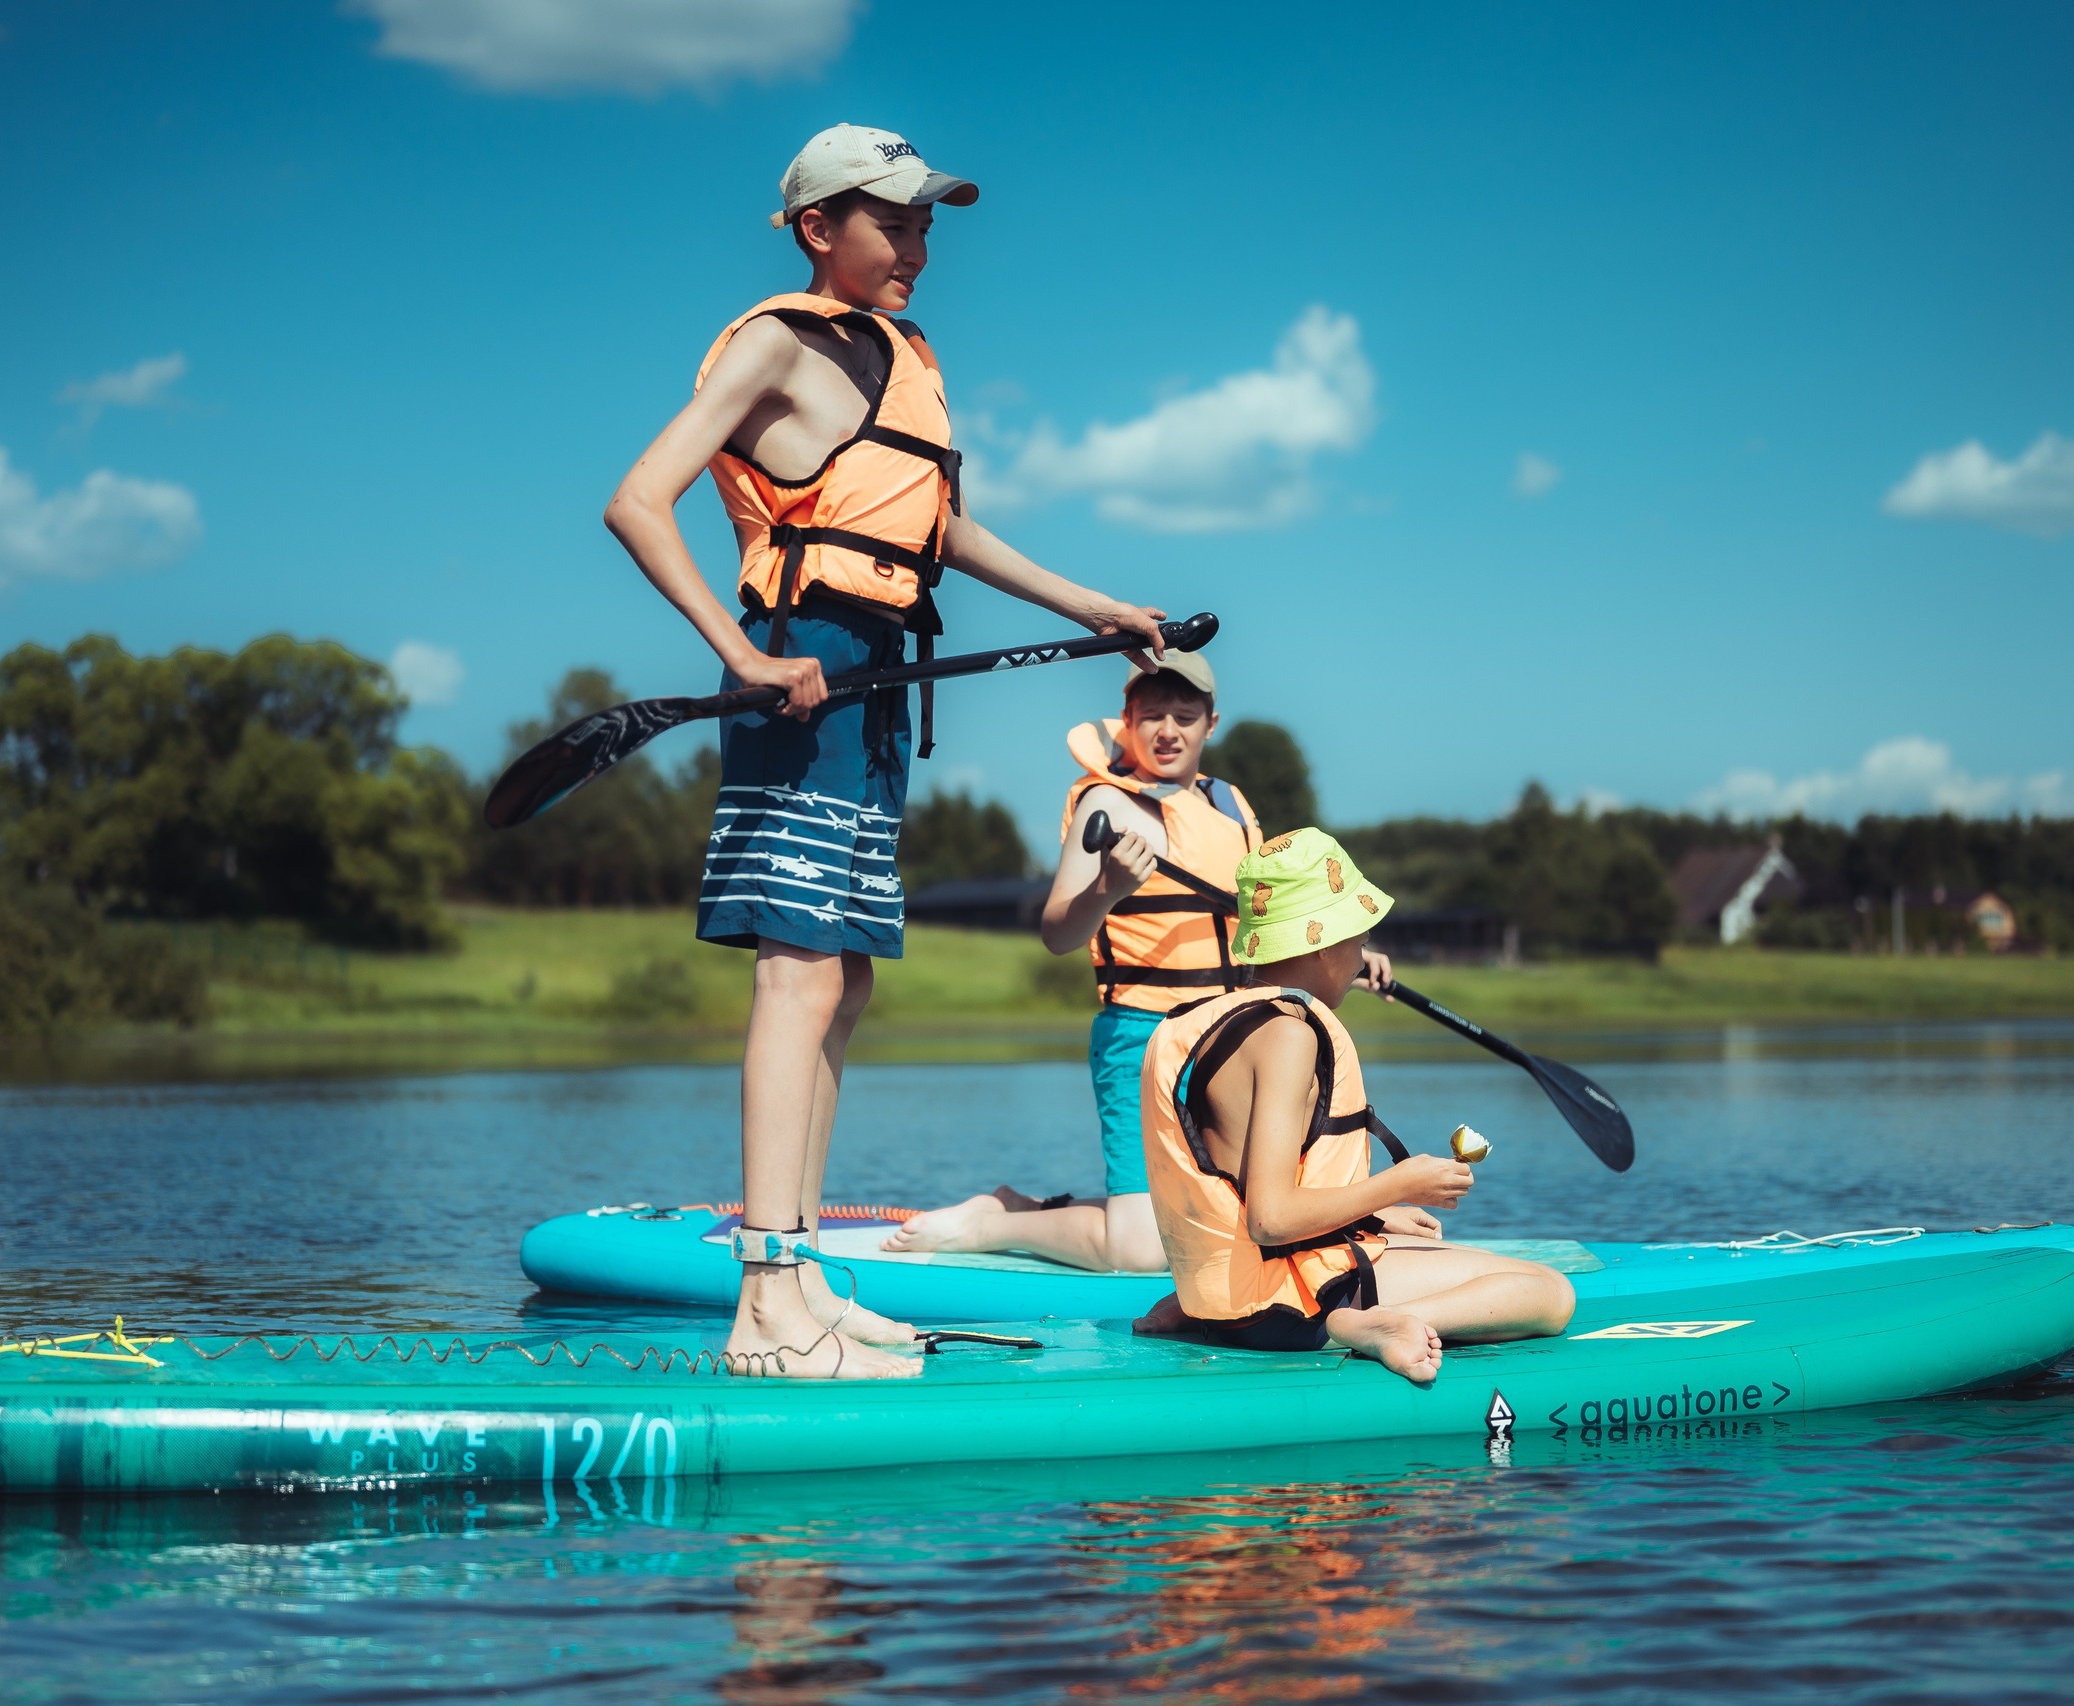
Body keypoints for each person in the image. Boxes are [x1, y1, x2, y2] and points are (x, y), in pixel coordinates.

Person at [602, 124, 1168, 1379]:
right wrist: (743, 656)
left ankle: (800, 1277)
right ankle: (763, 1303)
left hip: (877, 681)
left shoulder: (904, 356)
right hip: (800, 666)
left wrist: (1092, 608)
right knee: (796, 979)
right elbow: (639, 499)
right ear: (819, 228)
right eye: (894, 222)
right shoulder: (778, 343)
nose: (918, 246)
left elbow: (935, 525)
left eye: (926, 225)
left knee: (845, 983)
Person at [886, 655, 1394, 1270]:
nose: (1168, 730)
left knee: (1235, 1212)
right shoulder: (1109, 803)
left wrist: (1345, 956)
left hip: (1233, 1035)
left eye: (1185, 716)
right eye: (1151, 715)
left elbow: (1264, 922)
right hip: (1145, 1035)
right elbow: (1057, 933)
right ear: (1126, 721)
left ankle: (1037, 1204)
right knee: (1141, 1252)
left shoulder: (1230, 804)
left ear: (1212, 723)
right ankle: (1001, 1220)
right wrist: (1108, 889)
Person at [1134, 830, 1575, 1381]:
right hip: (1292, 1308)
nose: (1362, 952)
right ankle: (1378, 1323)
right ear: (1320, 942)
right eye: (1357, 937)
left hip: (1220, 1299)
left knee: (1403, 1235)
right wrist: (1400, 1184)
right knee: (1549, 1292)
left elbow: (1245, 1194)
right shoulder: (1288, 1037)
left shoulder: (1207, 1024)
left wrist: (1378, 1216)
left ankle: (1203, 1314)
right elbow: (1270, 1219)